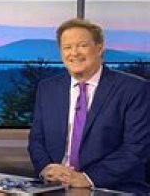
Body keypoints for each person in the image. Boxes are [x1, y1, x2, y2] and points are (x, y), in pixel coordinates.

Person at [28, 18, 150, 194]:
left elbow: (136, 147)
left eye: (82, 45)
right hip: (56, 187)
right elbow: (36, 140)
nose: (74, 53)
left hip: (112, 188)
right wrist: (46, 168)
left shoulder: (134, 89)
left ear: (99, 48)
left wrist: (88, 178)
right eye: (67, 47)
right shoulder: (48, 88)